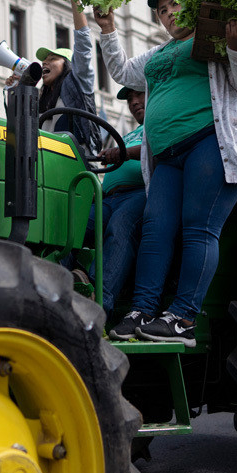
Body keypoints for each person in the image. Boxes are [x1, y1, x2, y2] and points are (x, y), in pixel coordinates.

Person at [95, 0, 237, 347]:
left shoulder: (215, 38)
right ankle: (141, 310)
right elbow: (124, 73)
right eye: (162, 10)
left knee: (198, 230)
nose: (170, 13)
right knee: (155, 231)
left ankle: (183, 318)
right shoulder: (157, 54)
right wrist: (108, 29)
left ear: (195, 7)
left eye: (176, 4)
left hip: (211, 143)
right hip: (167, 157)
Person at [88, 87, 147, 317]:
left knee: (120, 226)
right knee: (73, 223)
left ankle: (98, 304)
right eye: (130, 99)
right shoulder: (129, 133)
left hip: (140, 193)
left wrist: (123, 153)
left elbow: (157, 149)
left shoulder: (160, 125)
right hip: (108, 197)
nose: (133, 102)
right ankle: (65, 283)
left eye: (139, 95)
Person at [32, 0, 104, 155]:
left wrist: (76, 0)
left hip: (75, 160)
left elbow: (83, 47)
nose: (45, 63)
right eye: (44, 61)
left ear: (67, 64)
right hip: (47, 162)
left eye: (52, 59)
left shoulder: (77, 82)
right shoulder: (42, 96)